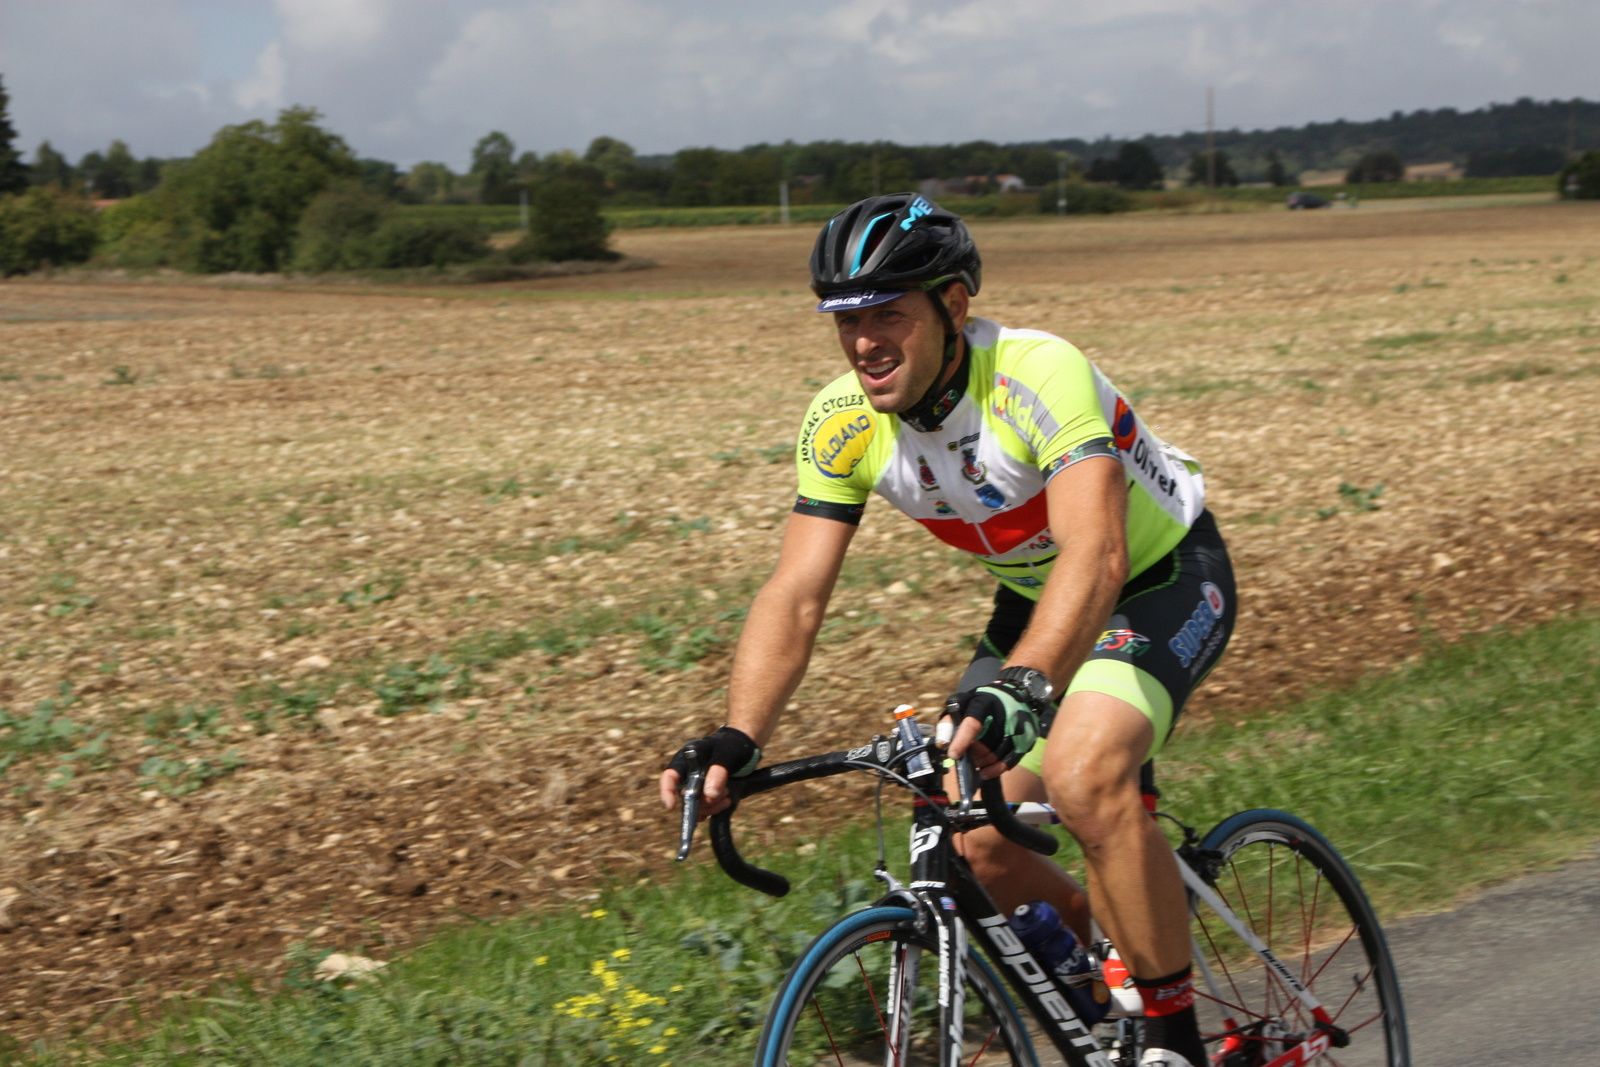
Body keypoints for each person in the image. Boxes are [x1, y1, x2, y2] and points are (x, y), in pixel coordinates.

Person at [658, 193, 1235, 1067]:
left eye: (887, 314)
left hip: (1158, 576)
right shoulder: (841, 422)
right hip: (1036, 600)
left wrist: (1025, 685)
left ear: (954, 306)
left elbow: (1098, 551)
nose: (863, 342)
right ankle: (1102, 974)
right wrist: (739, 735)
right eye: (846, 320)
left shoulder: (1036, 374)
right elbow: (797, 592)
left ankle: (1175, 1038)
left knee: (1083, 772)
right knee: (973, 832)